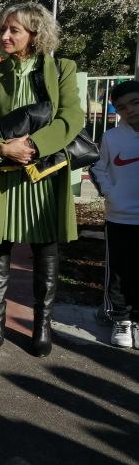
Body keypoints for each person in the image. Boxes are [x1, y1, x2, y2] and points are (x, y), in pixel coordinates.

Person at [0, 2, 84, 357]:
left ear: (35, 33)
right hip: (2, 175)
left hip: (44, 175)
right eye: (3, 29)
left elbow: (71, 118)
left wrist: (33, 145)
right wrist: (3, 150)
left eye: (14, 30)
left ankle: (41, 326)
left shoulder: (62, 68)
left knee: (46, 249)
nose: (5, 35)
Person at [90, 80, 139, 348]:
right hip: (120, 217)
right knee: (119, 271)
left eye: (135, 102)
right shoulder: (112, 137)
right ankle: (120, 318)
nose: (129, 110)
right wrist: (111, 194)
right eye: (122, 107)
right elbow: (98, 169)